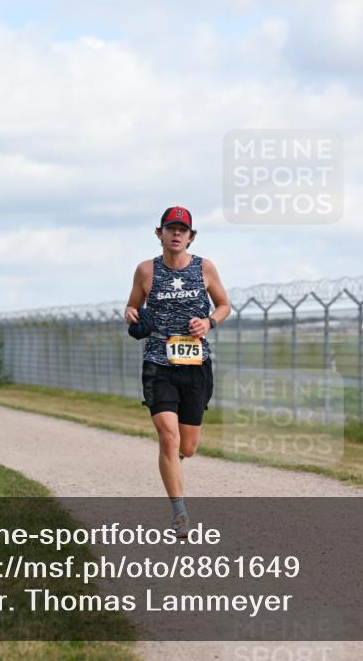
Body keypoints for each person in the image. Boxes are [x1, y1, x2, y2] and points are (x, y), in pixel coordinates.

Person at [125, 206, 230, 537]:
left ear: (190, 236)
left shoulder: (205, 268)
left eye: (182, 229)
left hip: (196, 364)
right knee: (168, 437)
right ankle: (180, 513)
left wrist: (209, 322)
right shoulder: (145, 271)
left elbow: (224, 305)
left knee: (187, 447)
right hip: (158, 363)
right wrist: (130, 313)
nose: (176, 234)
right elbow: (133, 305)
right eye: (170, 228)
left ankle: (174, 462)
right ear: (160, 234)